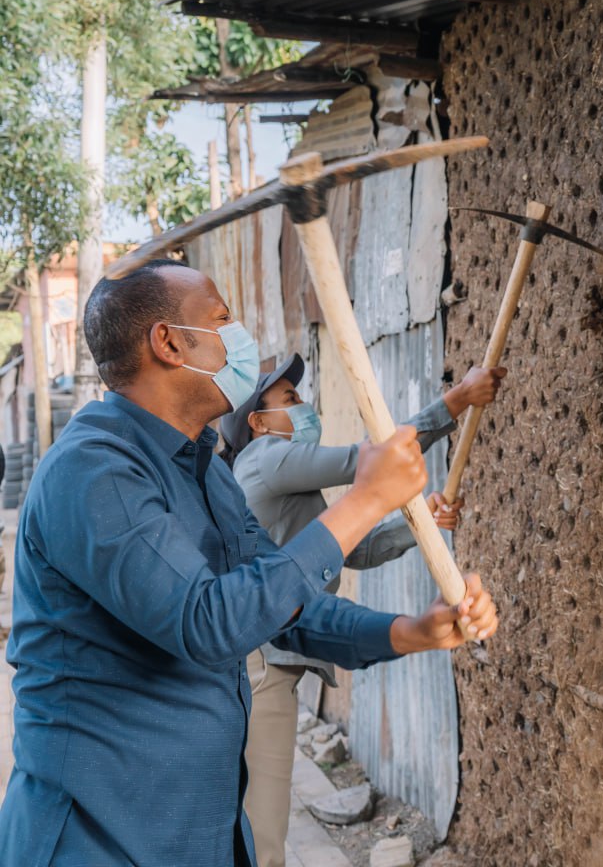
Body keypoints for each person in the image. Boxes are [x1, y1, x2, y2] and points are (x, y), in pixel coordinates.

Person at [0, 260, 498, 867]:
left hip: (199, 824)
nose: (240, 337)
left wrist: (411, 631)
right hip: (101, 834)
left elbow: (284, 606)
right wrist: (367, 501)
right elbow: (209, 622)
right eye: (222, 319)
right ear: (169, 343)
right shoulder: (93, 470)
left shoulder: (208, 472)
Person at [221, 354, 504, 867]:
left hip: (271, 658)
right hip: (264, 662)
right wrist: (458, 399)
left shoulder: (284, 485)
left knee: (258, 822)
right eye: (289, 399)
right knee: (263, 836)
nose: (304, 405)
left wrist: (422, 524)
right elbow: (373, 459)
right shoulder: (266, 457)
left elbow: (355, 549)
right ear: (258, 423)